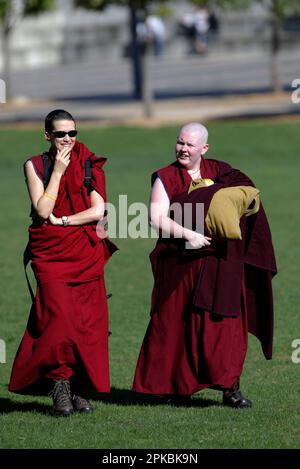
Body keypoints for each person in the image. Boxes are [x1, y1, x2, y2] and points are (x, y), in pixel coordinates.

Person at [133, 122, 277, 408]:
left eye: (189, 145)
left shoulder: (221, 171)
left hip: (222, 261)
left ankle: (230, 388)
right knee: (176, 325)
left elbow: (249, 195)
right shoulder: (166, 177)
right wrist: (190, 235)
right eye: (180, 143)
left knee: (227, 326)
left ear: (204, 148)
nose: (183, 149)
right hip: (182, 263)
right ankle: (176, 387)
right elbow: (156, 218)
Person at [9, 109, 118, 416]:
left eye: (73, 133)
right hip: (50, 256)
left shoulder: (87, 162)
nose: (68, 139)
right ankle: (59, 389)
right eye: (60, 134)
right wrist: (56, 172)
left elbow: (99, 210)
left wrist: (66, 221)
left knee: (88, 324)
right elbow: (42, 210)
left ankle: (80, 389)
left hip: (84, 252)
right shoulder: (36, 165)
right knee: (58, 322)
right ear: (48, 136)